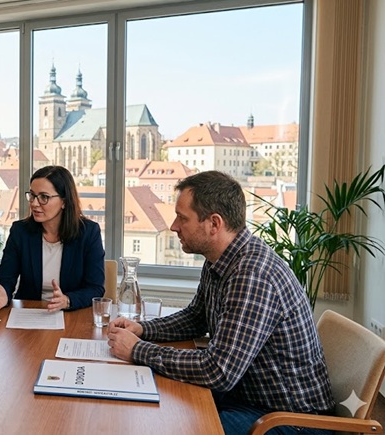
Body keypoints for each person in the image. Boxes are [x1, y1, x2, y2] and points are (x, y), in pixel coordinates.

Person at [107, 171, 334, 435]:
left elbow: (218, 370)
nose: (173, 226)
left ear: (214, 224)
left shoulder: (252, 275)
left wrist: (138, 350)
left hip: (288, 420)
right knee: (154, 402)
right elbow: (196, 317)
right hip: (246, 397)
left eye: (182, 218)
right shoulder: (220, 258)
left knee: (169, 423)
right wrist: (144, 330)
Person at [0, 165, 104, 312]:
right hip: (29, 314)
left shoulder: (88, 233)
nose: (34, 203)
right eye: (32, 195)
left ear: (64, 201)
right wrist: (2, 293)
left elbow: (95, 288)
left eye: (44, 197)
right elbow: (5, 278)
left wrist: (68, 300)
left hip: (72, 315)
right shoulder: (20, 231)